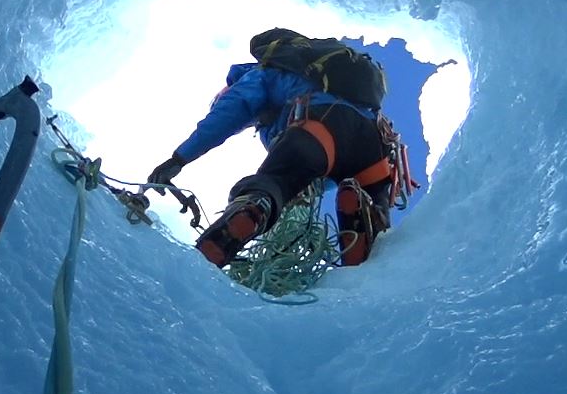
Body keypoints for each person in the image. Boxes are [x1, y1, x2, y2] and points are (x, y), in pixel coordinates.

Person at [147, 28, 400, 267]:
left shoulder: (263, 72)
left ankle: (252, 209)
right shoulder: (327, 78)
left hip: (321, 125)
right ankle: (368, 226)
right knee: (371, 198)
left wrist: (179, 158)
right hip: (376, 143)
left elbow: (231, 111)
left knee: (275, 182)